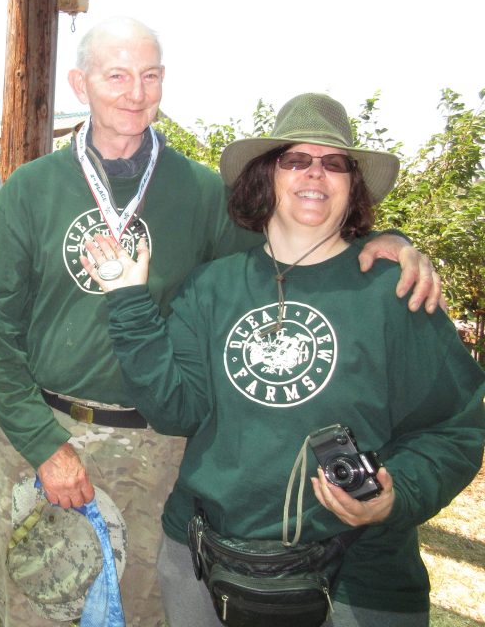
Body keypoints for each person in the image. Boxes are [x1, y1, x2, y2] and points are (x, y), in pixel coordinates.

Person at [0, 17, 444, 627]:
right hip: (42, 432)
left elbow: (301, 241)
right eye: (116, 75)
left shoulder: (201, 192)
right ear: (79, 83)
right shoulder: (30, 189)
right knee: (37, 600)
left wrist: (387, 241)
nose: (135, 93)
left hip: (157, 450)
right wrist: (43, 445)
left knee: (142, 610)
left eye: (150, 76)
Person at [85, 91, 485, 626]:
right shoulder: (213, 287)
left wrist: (395, 496)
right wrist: (130, 302)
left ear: (352, 183)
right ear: (267, 176)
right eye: (296, 159)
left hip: (359, 577)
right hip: (203, 563)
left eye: (334, 164)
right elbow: (176, 411)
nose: (314, 175)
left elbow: (456, 425)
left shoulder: (396, 292)